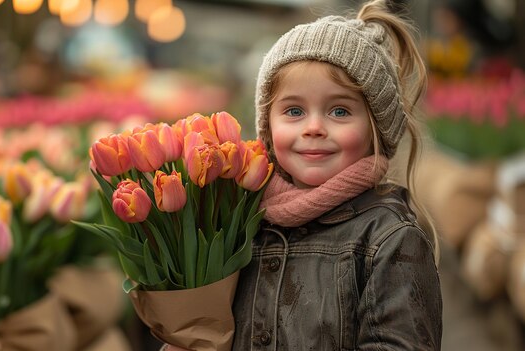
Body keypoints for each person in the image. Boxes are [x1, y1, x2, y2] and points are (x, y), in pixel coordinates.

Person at [168, 0, 442, 349]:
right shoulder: (241, 223)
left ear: (376, 128)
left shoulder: (389, 239)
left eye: (339, 111)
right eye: (294, 110)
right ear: (267, 125)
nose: (314, 128)